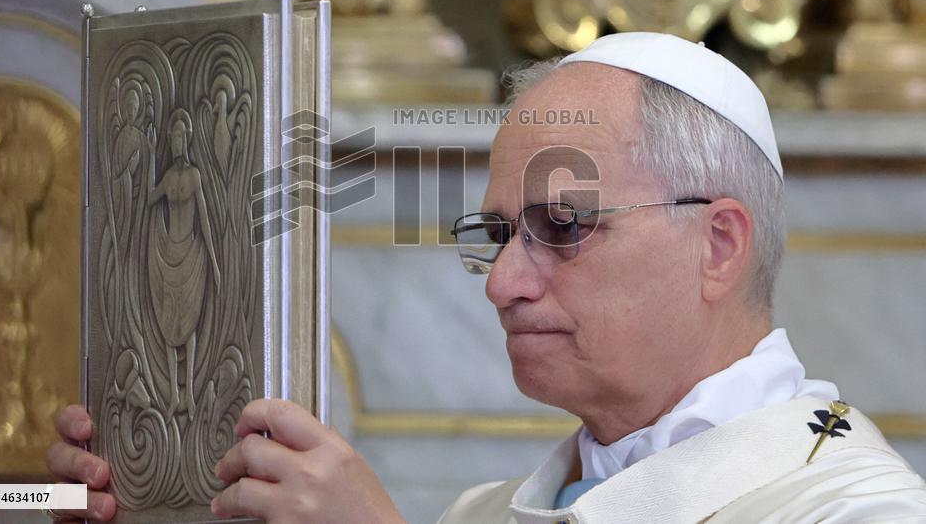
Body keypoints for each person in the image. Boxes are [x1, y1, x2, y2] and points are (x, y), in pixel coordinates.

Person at [46, 32, 926, 522]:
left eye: (562, 226)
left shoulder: (853, 507)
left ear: (719, 244)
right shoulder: (485, 514)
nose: (502, 282)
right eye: (499, 233)